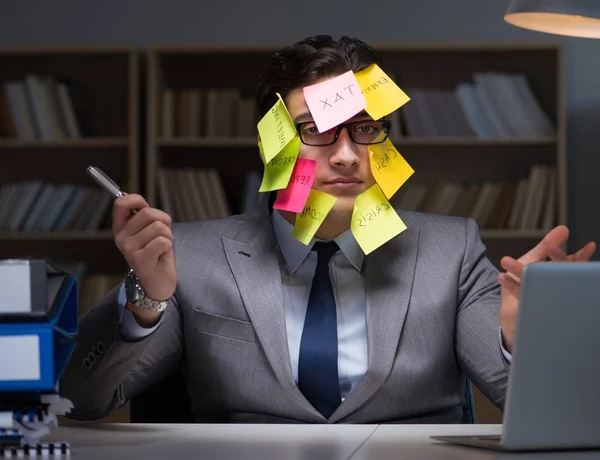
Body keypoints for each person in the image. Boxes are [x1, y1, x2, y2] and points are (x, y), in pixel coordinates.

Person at [62, 35, 596, 424]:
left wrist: (530, 334)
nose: (346, 156)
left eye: (366, 129)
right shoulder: (192, 256)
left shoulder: (449, 249)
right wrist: (144, 302)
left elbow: (526, 400)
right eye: (315, 131)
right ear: (273, 144)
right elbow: (83, 399)